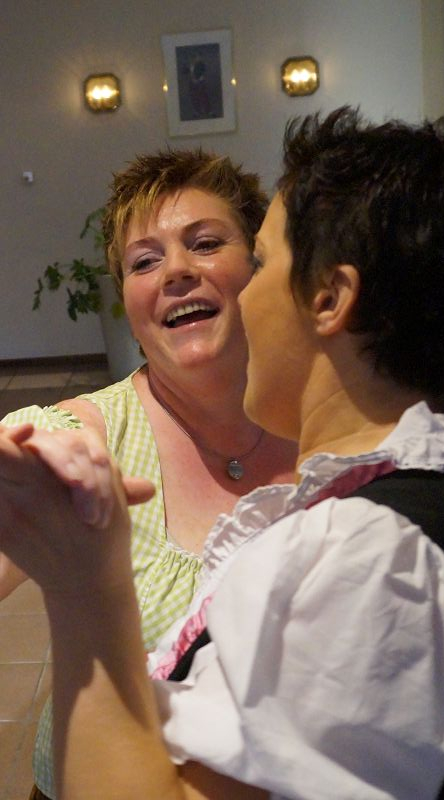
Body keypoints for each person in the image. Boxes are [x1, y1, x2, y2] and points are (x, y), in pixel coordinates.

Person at [0, 107, 444, 800]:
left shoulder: (369, 555)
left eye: (263, 260)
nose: (189, 277)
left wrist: (85, 590)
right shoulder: (422, 488)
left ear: (329, 297)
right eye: (144, 260)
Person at [0, 148, 296, 800]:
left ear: (260, 269)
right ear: (130, 307)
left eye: (205, 243)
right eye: (144, 261)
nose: (177, 271)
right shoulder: (85, 436)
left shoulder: (327, 434)